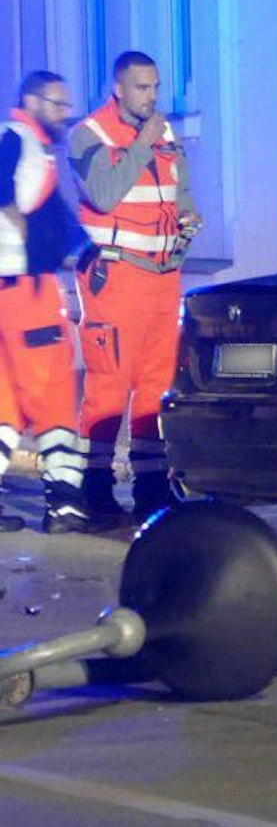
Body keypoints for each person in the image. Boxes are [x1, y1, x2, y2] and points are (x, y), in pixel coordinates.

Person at [68, 50, 200, 522]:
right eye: (143, 88)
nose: (152, 97)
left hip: (164, 276)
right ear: (119, 88)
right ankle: (94, 488)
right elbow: (104, 195)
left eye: (157, 87)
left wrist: (187, 215)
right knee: (109, 385)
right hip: (116, 276)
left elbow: (178, 187)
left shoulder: (163, 132)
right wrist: (143, 141)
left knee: (155, 386)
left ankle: (151, 486)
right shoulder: (88, 134)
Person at [0, 71, 94, 531]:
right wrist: (17, 224)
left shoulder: (30, 146)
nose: (64, 113)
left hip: (11, 288)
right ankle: (64, 501)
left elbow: (56, 215)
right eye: (57, 104)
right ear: (32, 101)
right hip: (26, 291)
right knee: (53, 390)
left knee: (4, 404)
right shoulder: (18, 139)